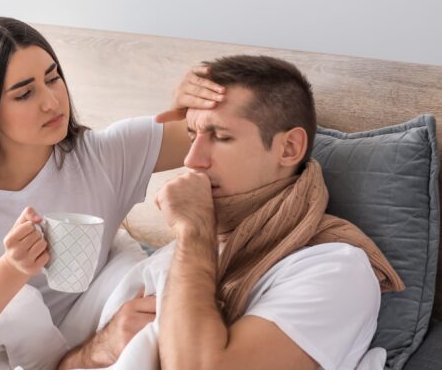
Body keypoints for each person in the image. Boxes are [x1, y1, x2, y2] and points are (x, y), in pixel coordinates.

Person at [0, 17, 222, 369]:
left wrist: (194, 99)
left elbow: (225, 132)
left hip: (84, 344)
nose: (51, 102)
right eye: (24, 93)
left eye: (53, 78)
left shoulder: (104, 156)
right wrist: (13, 267)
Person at [58, 55, 405, 370]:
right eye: (192, 135)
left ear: (289, 148)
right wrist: (101, 347)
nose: (192, 160)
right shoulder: (176, 258)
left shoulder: (336, 270)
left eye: (220, 137)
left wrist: (195, 232)